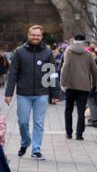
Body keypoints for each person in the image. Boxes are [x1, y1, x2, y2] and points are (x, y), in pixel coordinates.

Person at [4, 24, 60, 159]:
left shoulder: (47, 52)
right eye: (33, 35)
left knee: (38, 123)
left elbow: (52, 73)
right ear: (28, 35)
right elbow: (13, 73)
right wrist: (8, 93)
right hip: (24, 94)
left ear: (42, 36)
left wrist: (55, 94)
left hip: (41, 94)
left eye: (38, 35)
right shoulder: (19, 52)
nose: (35, 37)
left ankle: (36, 150)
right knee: (23, 122)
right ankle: (25, 142)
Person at [60, 34, 96, 140]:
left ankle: (69, 132)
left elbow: (65, 67)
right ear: (84, 42)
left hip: (70, 85)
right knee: (81, 111)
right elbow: (94, 71)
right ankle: (79, 134)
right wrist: (94, 84)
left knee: (68, 109)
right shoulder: (88, 54)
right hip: (84, 85)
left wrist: (62, 82)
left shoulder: (68, 52)